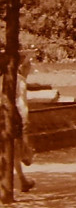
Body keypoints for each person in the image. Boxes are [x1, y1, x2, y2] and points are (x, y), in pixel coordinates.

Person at [13, 53, 35, 192]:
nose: (30, 69)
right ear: (22, 67)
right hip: (12, 117)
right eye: (29, 66)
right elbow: (21, 103)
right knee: (15, 150)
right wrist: (25, 121)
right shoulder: (19, 80)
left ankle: (22, 179)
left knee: (10, 151)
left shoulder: (4, 78)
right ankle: (21, 180)